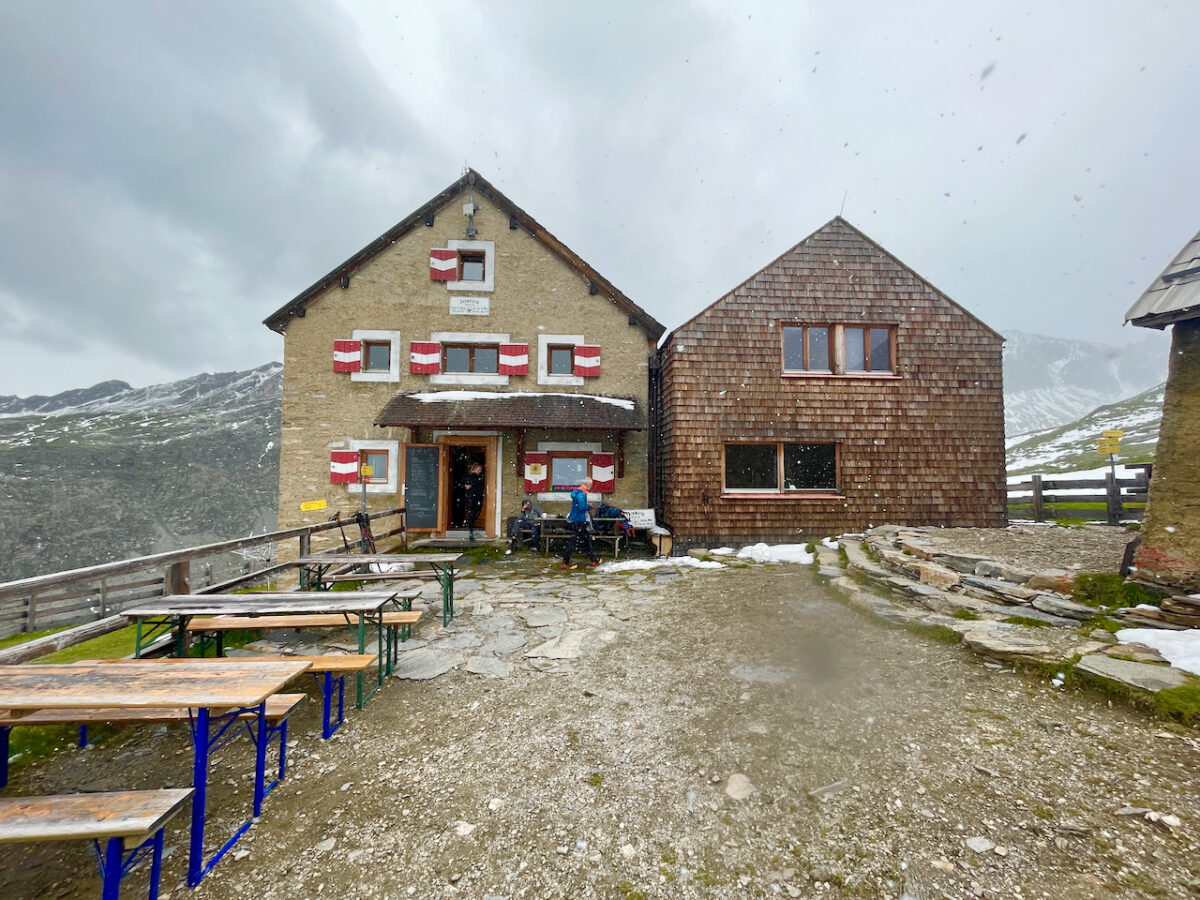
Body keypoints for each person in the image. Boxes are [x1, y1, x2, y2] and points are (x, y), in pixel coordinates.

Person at [561, 477, 599, 570]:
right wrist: (588, 506)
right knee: (575, 541)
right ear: (588, 485)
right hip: (579, 520)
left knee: (586, 540)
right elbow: (581, 507)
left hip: (576, 520)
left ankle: (593, 559)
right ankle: (565, 562)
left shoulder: (577, 492)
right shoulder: (582, 494)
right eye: (591, 485)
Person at [459, 462, 484, 542]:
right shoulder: (468, 476)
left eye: (480, 470)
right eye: (478, 470)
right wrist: (465, 486)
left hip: (478, 497)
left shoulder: (480, 477)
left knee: (477, 512)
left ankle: (470, 524)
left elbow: (480, 485)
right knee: (472, 513)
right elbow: (460, 483)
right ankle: (471, 532)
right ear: (474, 469)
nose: (480, 471)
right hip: (470, 497)